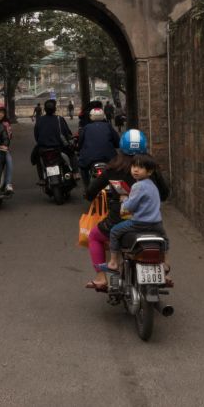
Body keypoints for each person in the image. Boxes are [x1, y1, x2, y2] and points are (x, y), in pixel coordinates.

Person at [84, 129, 169, 291]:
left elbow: (91, 191)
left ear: (121, 147)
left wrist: (88, 195)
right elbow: (164, 194)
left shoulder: (113, 167)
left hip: (119, 221)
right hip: (150, 222)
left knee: (94, 236)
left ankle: (101, 278)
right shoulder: (151, 169)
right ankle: (165, 270)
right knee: (163, 241)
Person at [106, 156, 168, 272]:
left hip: (139, 223)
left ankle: (113, 261)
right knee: (164, 240)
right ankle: (164, 262)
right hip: (157, 223)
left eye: (140, 168)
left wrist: (125, 199)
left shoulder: (138, 186)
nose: (135, 170)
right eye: (134, 166)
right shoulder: (152, 185)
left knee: (114, 232)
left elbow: (130, 206)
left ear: (149, 172)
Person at [76, 106, 119, 187]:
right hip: (108, 156)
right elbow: (117, 140)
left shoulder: (86, 128)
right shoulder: (108, 126)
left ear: (91, 116)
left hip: (89, 157)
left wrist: (78, 148)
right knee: (116, 169)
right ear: (103, 116)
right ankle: (116, 186)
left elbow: (80, 142)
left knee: (83, 168)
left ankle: (87, 187)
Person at [32, 99, 73, 181]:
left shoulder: (39, 120)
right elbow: (67, 133)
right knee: (71, 153)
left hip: (43, 148)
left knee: (37, 159)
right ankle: (75, 172)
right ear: (55, 109)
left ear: (45, 109)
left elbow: (36, 135)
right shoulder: (59, 119)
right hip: (59, 147)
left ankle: (41, 179)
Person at [0, 105, 14, 194]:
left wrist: (5, 145)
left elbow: (9, 137)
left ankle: (8, 184)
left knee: (9, 161)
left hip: (2, 148)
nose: (0, 115)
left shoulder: (6, 124)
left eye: (2, 113)